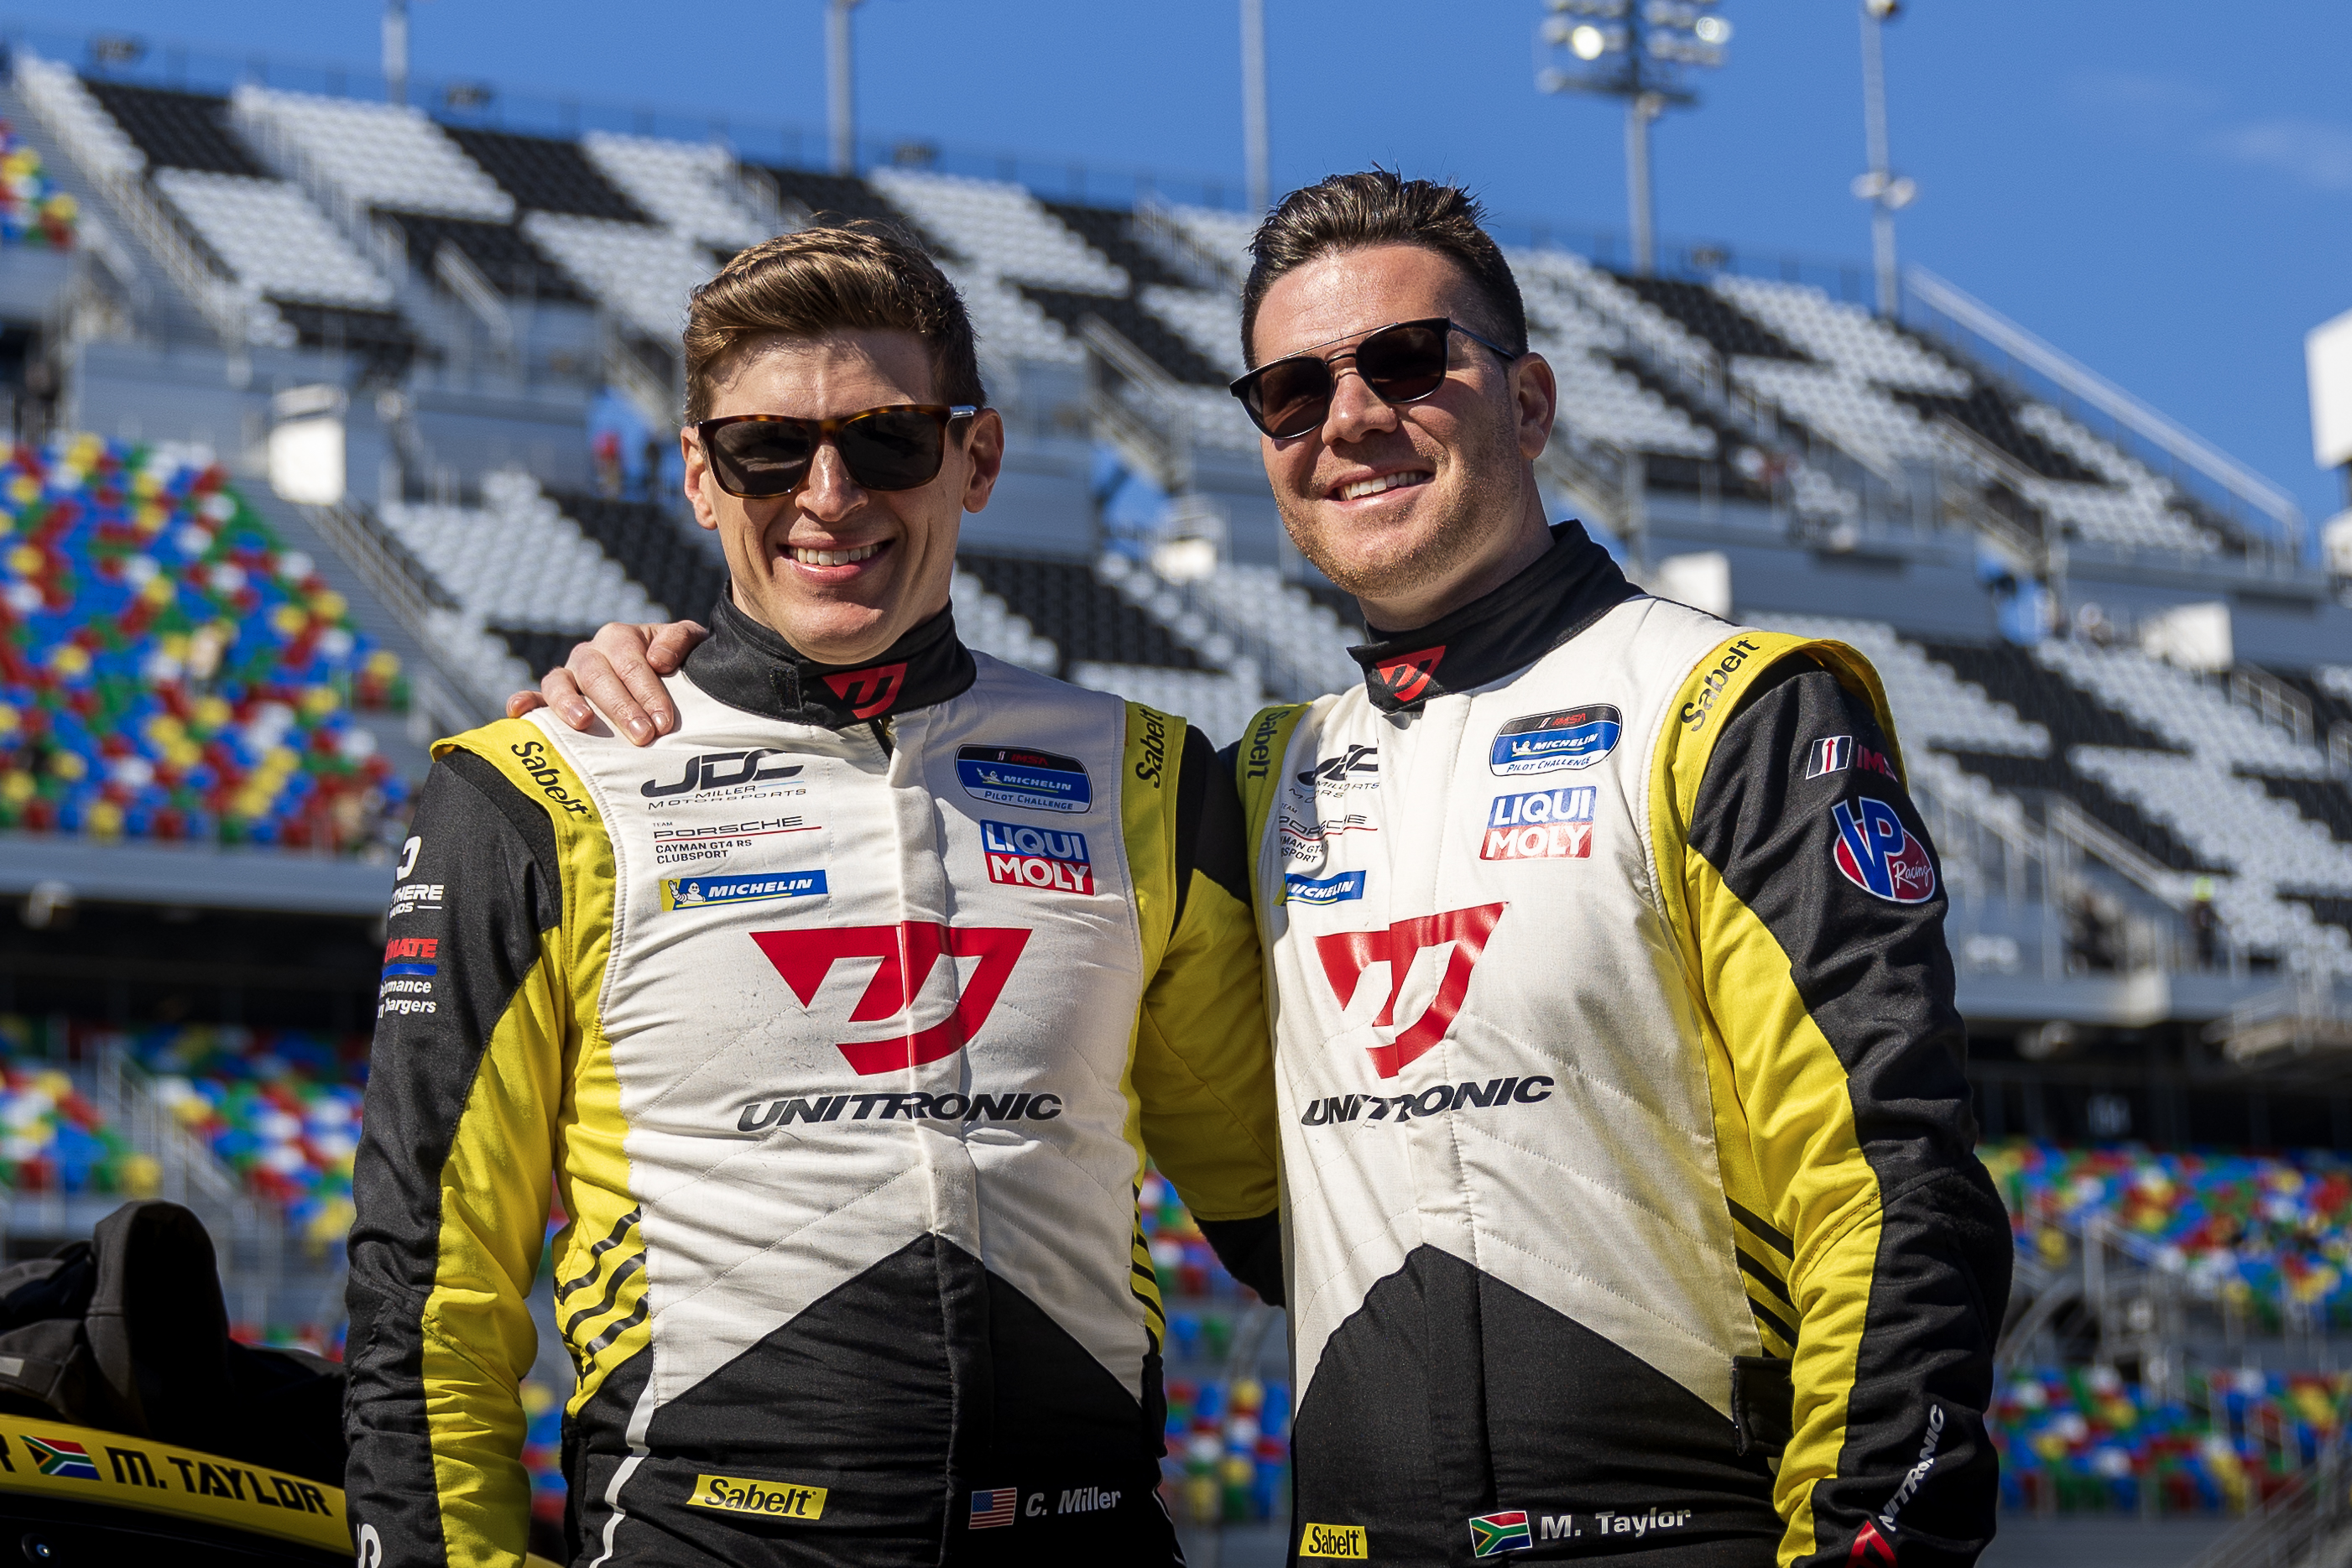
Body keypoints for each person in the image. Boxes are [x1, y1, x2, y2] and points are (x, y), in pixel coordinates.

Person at [531, 175, 2010, 1566]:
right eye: (1295, 391)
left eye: (1411, 360)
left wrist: (1882, 1522)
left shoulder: (1728, 703)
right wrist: (671, 675)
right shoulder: (1250, 777)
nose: (1351, 416)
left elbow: (1892, 1169)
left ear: (1533, 397)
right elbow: (1243, 1188)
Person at [349, 221, 1281, 1568]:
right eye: (768, 449)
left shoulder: (1145, 775)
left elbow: (1297, 1211)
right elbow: (429, 1290)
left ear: (978, 457)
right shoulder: (536, 790)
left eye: (889, 438)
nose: (829, 494)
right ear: (698, 477)